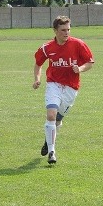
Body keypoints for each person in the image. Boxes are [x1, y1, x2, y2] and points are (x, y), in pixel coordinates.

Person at [32, 16, 94, 164]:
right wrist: (37, 79)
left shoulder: (78, 44)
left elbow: (90, 63)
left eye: (68, 29)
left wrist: (79, 68)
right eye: (63, 30)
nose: (66, 33)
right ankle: (52, 152)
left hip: (71, 88)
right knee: (51, 115)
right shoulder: (47, 48)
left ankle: (48, 141)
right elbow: (38, 64)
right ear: (55, 30)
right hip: (53, 84)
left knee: (58, 119)